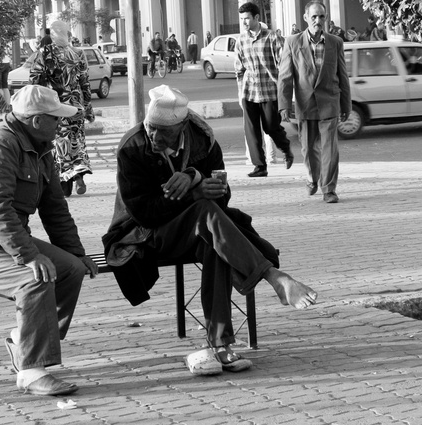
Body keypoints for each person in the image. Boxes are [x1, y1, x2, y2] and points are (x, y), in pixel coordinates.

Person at [102, 84, 318, 376]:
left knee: (215, 244)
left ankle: (221, 345)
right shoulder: (132, 147)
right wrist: (193, 193)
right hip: (144, 235)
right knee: (206, 216)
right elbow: (145, 214)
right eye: (150, 128)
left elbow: (222, 198)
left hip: (201, 229)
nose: (154, 136)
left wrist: (199, 180)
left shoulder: (203, 141)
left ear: (182, 126)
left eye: (162, 131)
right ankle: (272, 276)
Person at [0, 84, 98, 396]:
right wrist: (29, 256)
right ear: (37, 121)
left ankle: (22, 339)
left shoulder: (41, 148)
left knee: (70, 269)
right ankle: (31, 371)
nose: (60, 124)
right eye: (56, 119)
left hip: (4, 239)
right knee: (34, 279)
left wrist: (76, 253)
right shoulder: (0, 145)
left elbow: (56, 210)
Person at [278, 1, 351, 204]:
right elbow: (285, 77)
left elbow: (342, 75)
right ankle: (312, 178)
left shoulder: (335, 42)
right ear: (305, 18)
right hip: (305, 103)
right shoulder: (292, 42)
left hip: (330, 102)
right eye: (314, 17)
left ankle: (329, 189)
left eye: (321, 17)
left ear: (325, 18)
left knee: (330, 149)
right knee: (308, 149)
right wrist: (284, 105)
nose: (318, 21)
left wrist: (346, 105)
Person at [29, 20, 95, 197]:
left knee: (60, 141)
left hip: (55, 105)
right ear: (67, 34)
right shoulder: (78, 53)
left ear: (52, 34)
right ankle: (79, 173)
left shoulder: (44, 53)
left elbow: (34, 81)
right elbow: (85, 82)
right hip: (76, 104)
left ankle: (65, 183)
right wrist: (87, 107)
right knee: (77, 139)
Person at [235, 2, 294, 178]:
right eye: (242, 19)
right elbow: (239, 70)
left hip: (269, 91)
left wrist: (285, 93)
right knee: (251, 131)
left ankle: (286, 149)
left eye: (247, 18)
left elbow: (284, 66)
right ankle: (260, 166)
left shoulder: (272, 38)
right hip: (249, 92)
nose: (244, 22)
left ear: (257, 18)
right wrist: (240, 94)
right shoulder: (241, 41)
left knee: (271, 127)